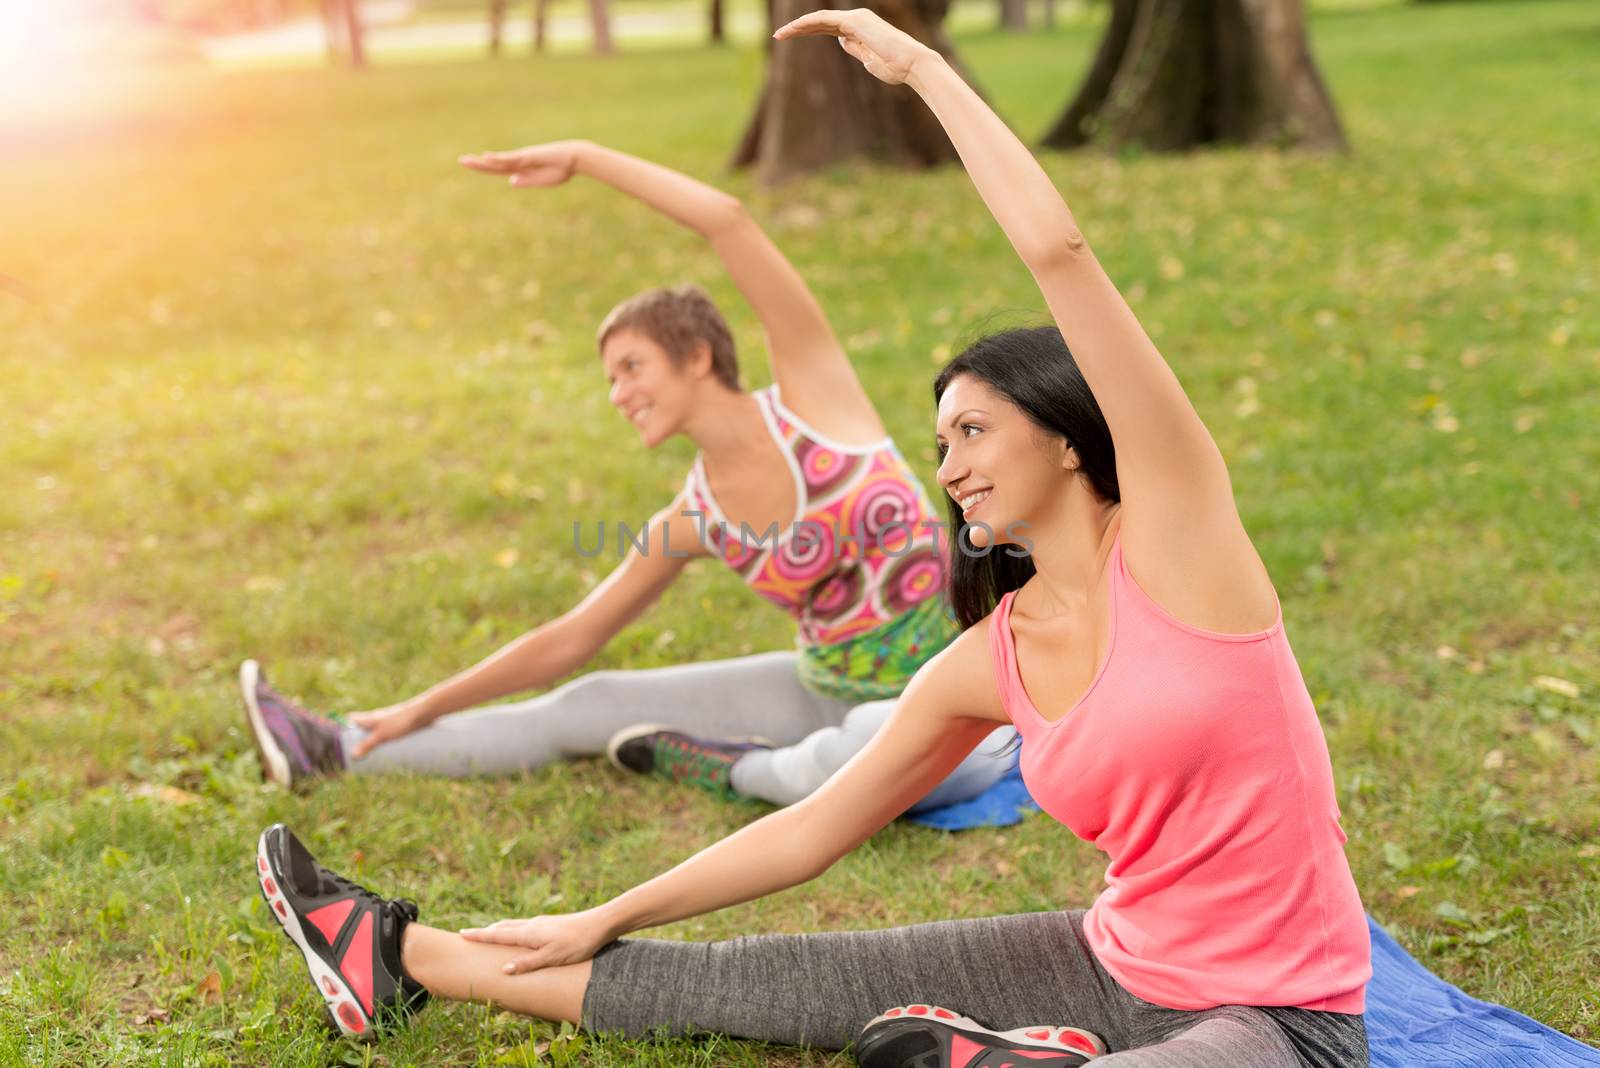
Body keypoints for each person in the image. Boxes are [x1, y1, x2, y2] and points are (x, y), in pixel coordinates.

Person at [253, 10, 1371, 1066]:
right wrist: (607, 910)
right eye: (939, 442)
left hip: (1282, 1019)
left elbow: (1061, 254)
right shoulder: (993, 654)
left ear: (1071, 438)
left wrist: (925, 72)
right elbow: (811, 834)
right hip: (1113, 960)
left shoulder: (1181, 542)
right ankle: (401, 958)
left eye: (974, 428)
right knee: (778, 980)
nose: (948, 465)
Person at [236, 139, 1016, 812]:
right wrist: (420, 706)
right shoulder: (693, 519)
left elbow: (728, 221)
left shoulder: (817, 404)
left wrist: (584, 158)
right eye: (610, 380)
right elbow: (570, 639)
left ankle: (737, 770)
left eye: (632, 367)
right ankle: (333, 746)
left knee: (877, 753)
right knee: (592, 703)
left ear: (700, 356)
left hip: (962, 687)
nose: (620, 394)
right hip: (823, 691)